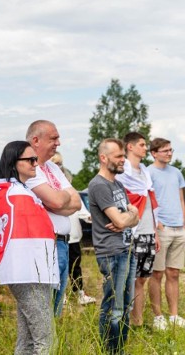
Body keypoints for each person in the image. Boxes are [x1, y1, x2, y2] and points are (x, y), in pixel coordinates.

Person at [0, 141, 58, 355]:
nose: (35, 164)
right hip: (29, 271)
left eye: (36, 159)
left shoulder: (19, 190)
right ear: (14, 162)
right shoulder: (15, 193)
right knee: (45, 339)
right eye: (30, 160)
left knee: (29, 339)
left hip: (30, 271)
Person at [25, 120, 82, 317]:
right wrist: (61, 199)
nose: (58, 143)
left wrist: (58, 199)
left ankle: (52, 345)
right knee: (44, 309)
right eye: (53, 138)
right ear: (36, 140)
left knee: (56, 307)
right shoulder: (28, 169)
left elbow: (77, 202)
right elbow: (59, 202)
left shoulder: (53, 168)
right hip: (45, 245)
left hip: (63, 243)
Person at [88, 138, 139, 354]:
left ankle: (120, 350)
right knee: (113, 308)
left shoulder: (117, 184)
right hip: (112, 253)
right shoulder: (98, 185)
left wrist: (129, 216)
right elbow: (119, 221)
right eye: (118, 156)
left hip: (126, 249)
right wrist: (129, 216)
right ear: (103, 157)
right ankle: (110, 351)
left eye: (123, 156)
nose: (123, 160)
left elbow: (133, 218)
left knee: (126, 307)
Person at [114, 132, 159, 328]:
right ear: (130, 147)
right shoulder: (122, 174)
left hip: (149, 231)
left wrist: (156, 232)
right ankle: (121, 320)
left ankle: (137, 321)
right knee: (127, 279)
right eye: (141, 144)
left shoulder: (145, 172)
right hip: (133, 233)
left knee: (142, 279)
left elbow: (150, 203)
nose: (145, 148)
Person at [147, 137, 185, 329]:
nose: (169, 153)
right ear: (154, 153)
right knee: (157, 273)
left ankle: (174, 316)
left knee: (174, 273)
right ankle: (158, 316)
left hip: (179, 228)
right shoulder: (148, 172)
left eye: (171, 150)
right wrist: (156, 225)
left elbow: (180, 198)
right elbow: (147, 200)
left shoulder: (177, 172)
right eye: (165, 150)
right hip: (161, 229)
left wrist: (184, 220)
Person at [50, 152, 96, 306]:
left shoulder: (72, 192)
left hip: (74, 237)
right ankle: (59, 295)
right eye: (54, 164)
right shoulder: (48, 193)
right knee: (58, 267)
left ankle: (79, 293)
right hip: (57, 237)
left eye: (60, 165)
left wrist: (94, 218)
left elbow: (83, 212)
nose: (58, 168)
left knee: (75, 267)